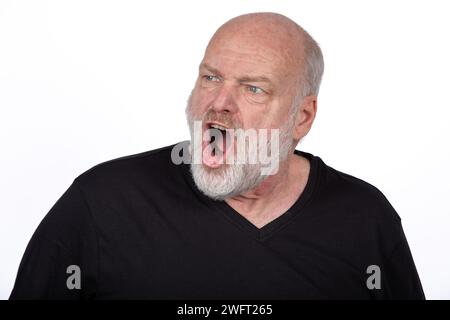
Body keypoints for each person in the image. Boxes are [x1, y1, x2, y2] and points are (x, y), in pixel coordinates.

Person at [10, 12, 425, 299]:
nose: (219, 103)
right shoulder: (101, 202)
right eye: (210, 78)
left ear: (302, 117)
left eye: (253, 88)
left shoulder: (364, 218)